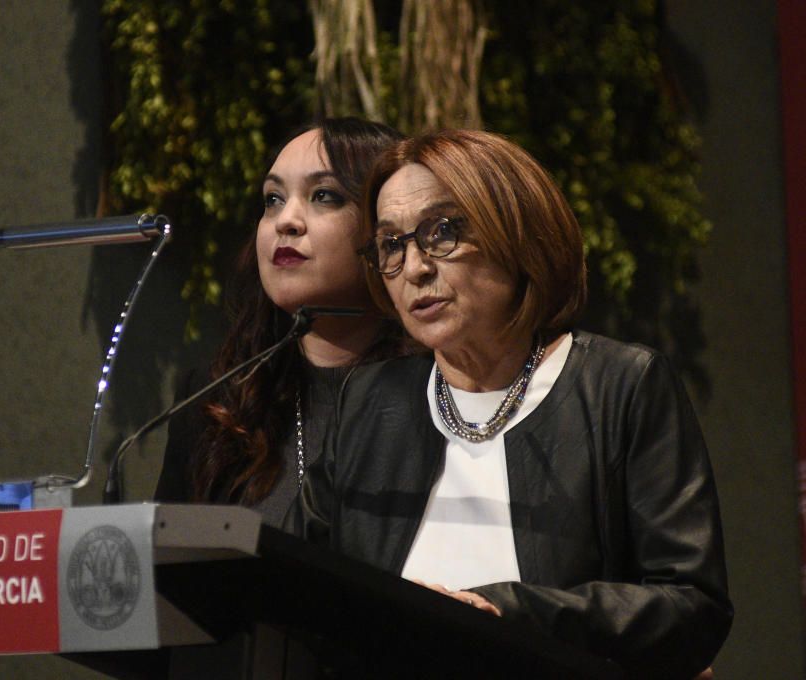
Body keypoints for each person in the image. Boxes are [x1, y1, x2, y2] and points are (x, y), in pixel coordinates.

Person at [297, 129, 732, 678]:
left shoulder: (619, 387)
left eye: (442, 232)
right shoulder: (368, 403)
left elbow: (692, 608)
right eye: (391, 244)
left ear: (518, 234)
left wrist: (509, 613)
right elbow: (299, 588)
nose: (414, 269)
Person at [156, 117, 408, 527]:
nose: (285, 220)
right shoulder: (218, 402)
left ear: (389, 229)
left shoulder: (444, 393)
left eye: (324, 195)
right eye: (272, 199)